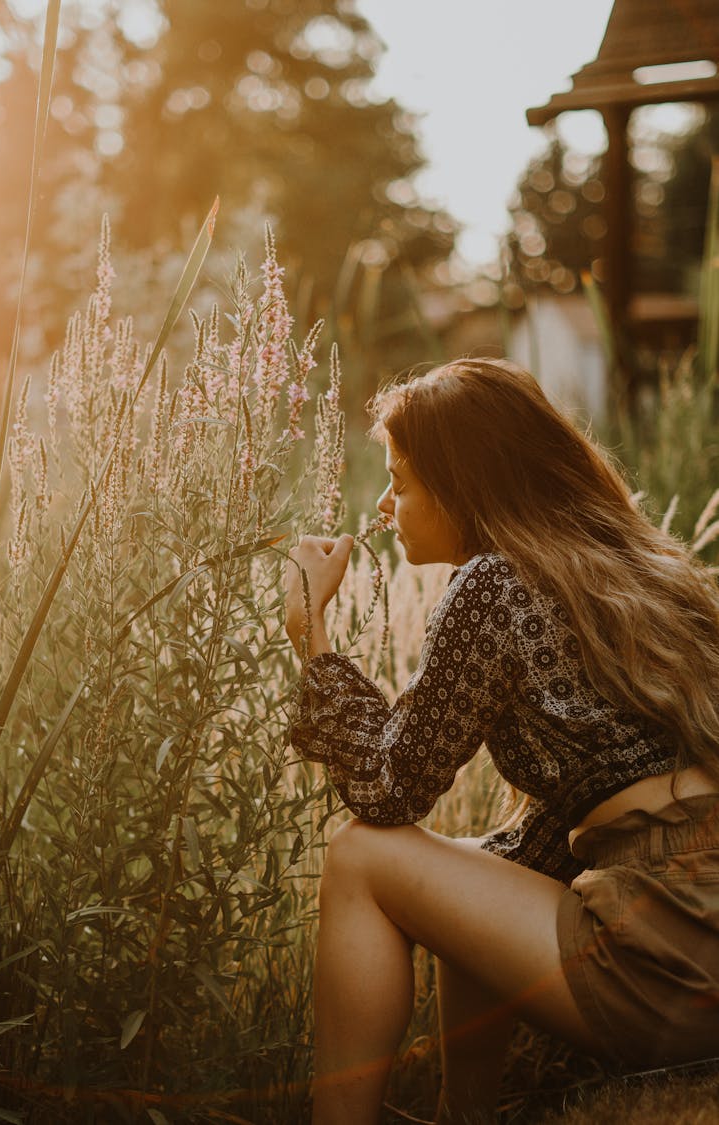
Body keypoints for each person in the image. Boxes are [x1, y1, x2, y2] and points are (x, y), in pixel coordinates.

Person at [283, 358, 719, 1125]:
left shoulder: (493, 585)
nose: (386, 506)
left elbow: (391, 789)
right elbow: (541, 847)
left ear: (464, 484)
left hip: (671, 949)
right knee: (483, 865)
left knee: (359, 855)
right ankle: (466, 1114)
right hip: (701, 924)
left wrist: (311, 637)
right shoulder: (624, 571)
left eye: (404, 482)